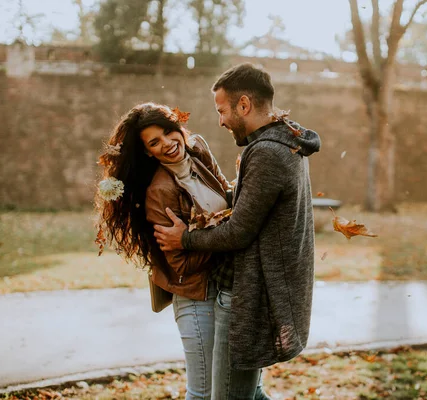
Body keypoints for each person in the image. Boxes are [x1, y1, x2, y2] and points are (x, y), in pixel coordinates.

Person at [154, 63, 321, 400]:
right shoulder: (285, 141)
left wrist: (183, 238)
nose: (220, 121)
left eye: (222, 111)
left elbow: (238, 233)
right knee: (248, 394)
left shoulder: (268, 153)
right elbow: (249, 211)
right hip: (249, 288)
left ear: (243, 104)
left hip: (247, 295)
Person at [94, 102, 235, 400]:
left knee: (235, 389)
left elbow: (226, 194)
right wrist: (226, 240)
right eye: (154, 142)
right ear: (148, 152)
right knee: (202, 392)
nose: (168, 144)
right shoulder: (160, 193)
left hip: (225, 289)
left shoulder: (198, 151)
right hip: (196, 297)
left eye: (169, 133)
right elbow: (180, 265)